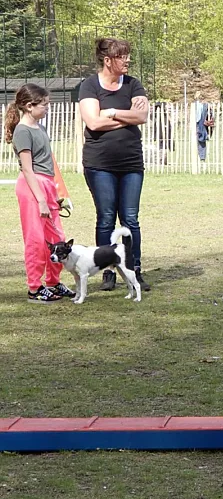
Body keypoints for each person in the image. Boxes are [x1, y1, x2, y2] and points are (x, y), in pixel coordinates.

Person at [78, 38, 151, 293]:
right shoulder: (89, 86)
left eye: (128, 56)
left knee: (130, 219)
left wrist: (109, 112)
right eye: (122, 57)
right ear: (107, 60)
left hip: (131, 163)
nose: (128, 60)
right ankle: (107, 271)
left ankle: (135, 270)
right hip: (99, 165)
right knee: (106, 218)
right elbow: (93, 124)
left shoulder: (133, 84)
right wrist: (124, 116)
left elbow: (141, 116)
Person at [4, 83, 76, 303]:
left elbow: (48, 162)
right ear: (29, 106)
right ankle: (34, 288)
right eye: (44, 105)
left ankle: (53, 282)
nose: (47, 109)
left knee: (57, 238)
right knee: (35, 240)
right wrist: (41, 200)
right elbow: (27, 168)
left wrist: (54, 193)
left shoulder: (41, 128)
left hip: (46, 184)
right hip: (31, 187)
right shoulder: (22, 131)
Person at [193, 91, 214, 163]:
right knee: (198, 141)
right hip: (198, 123)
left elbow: (210, 115)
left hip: (201, 124)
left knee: (201, 140)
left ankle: (201, 157)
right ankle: (200, 157)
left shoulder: (205, 105)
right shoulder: (195, 105)